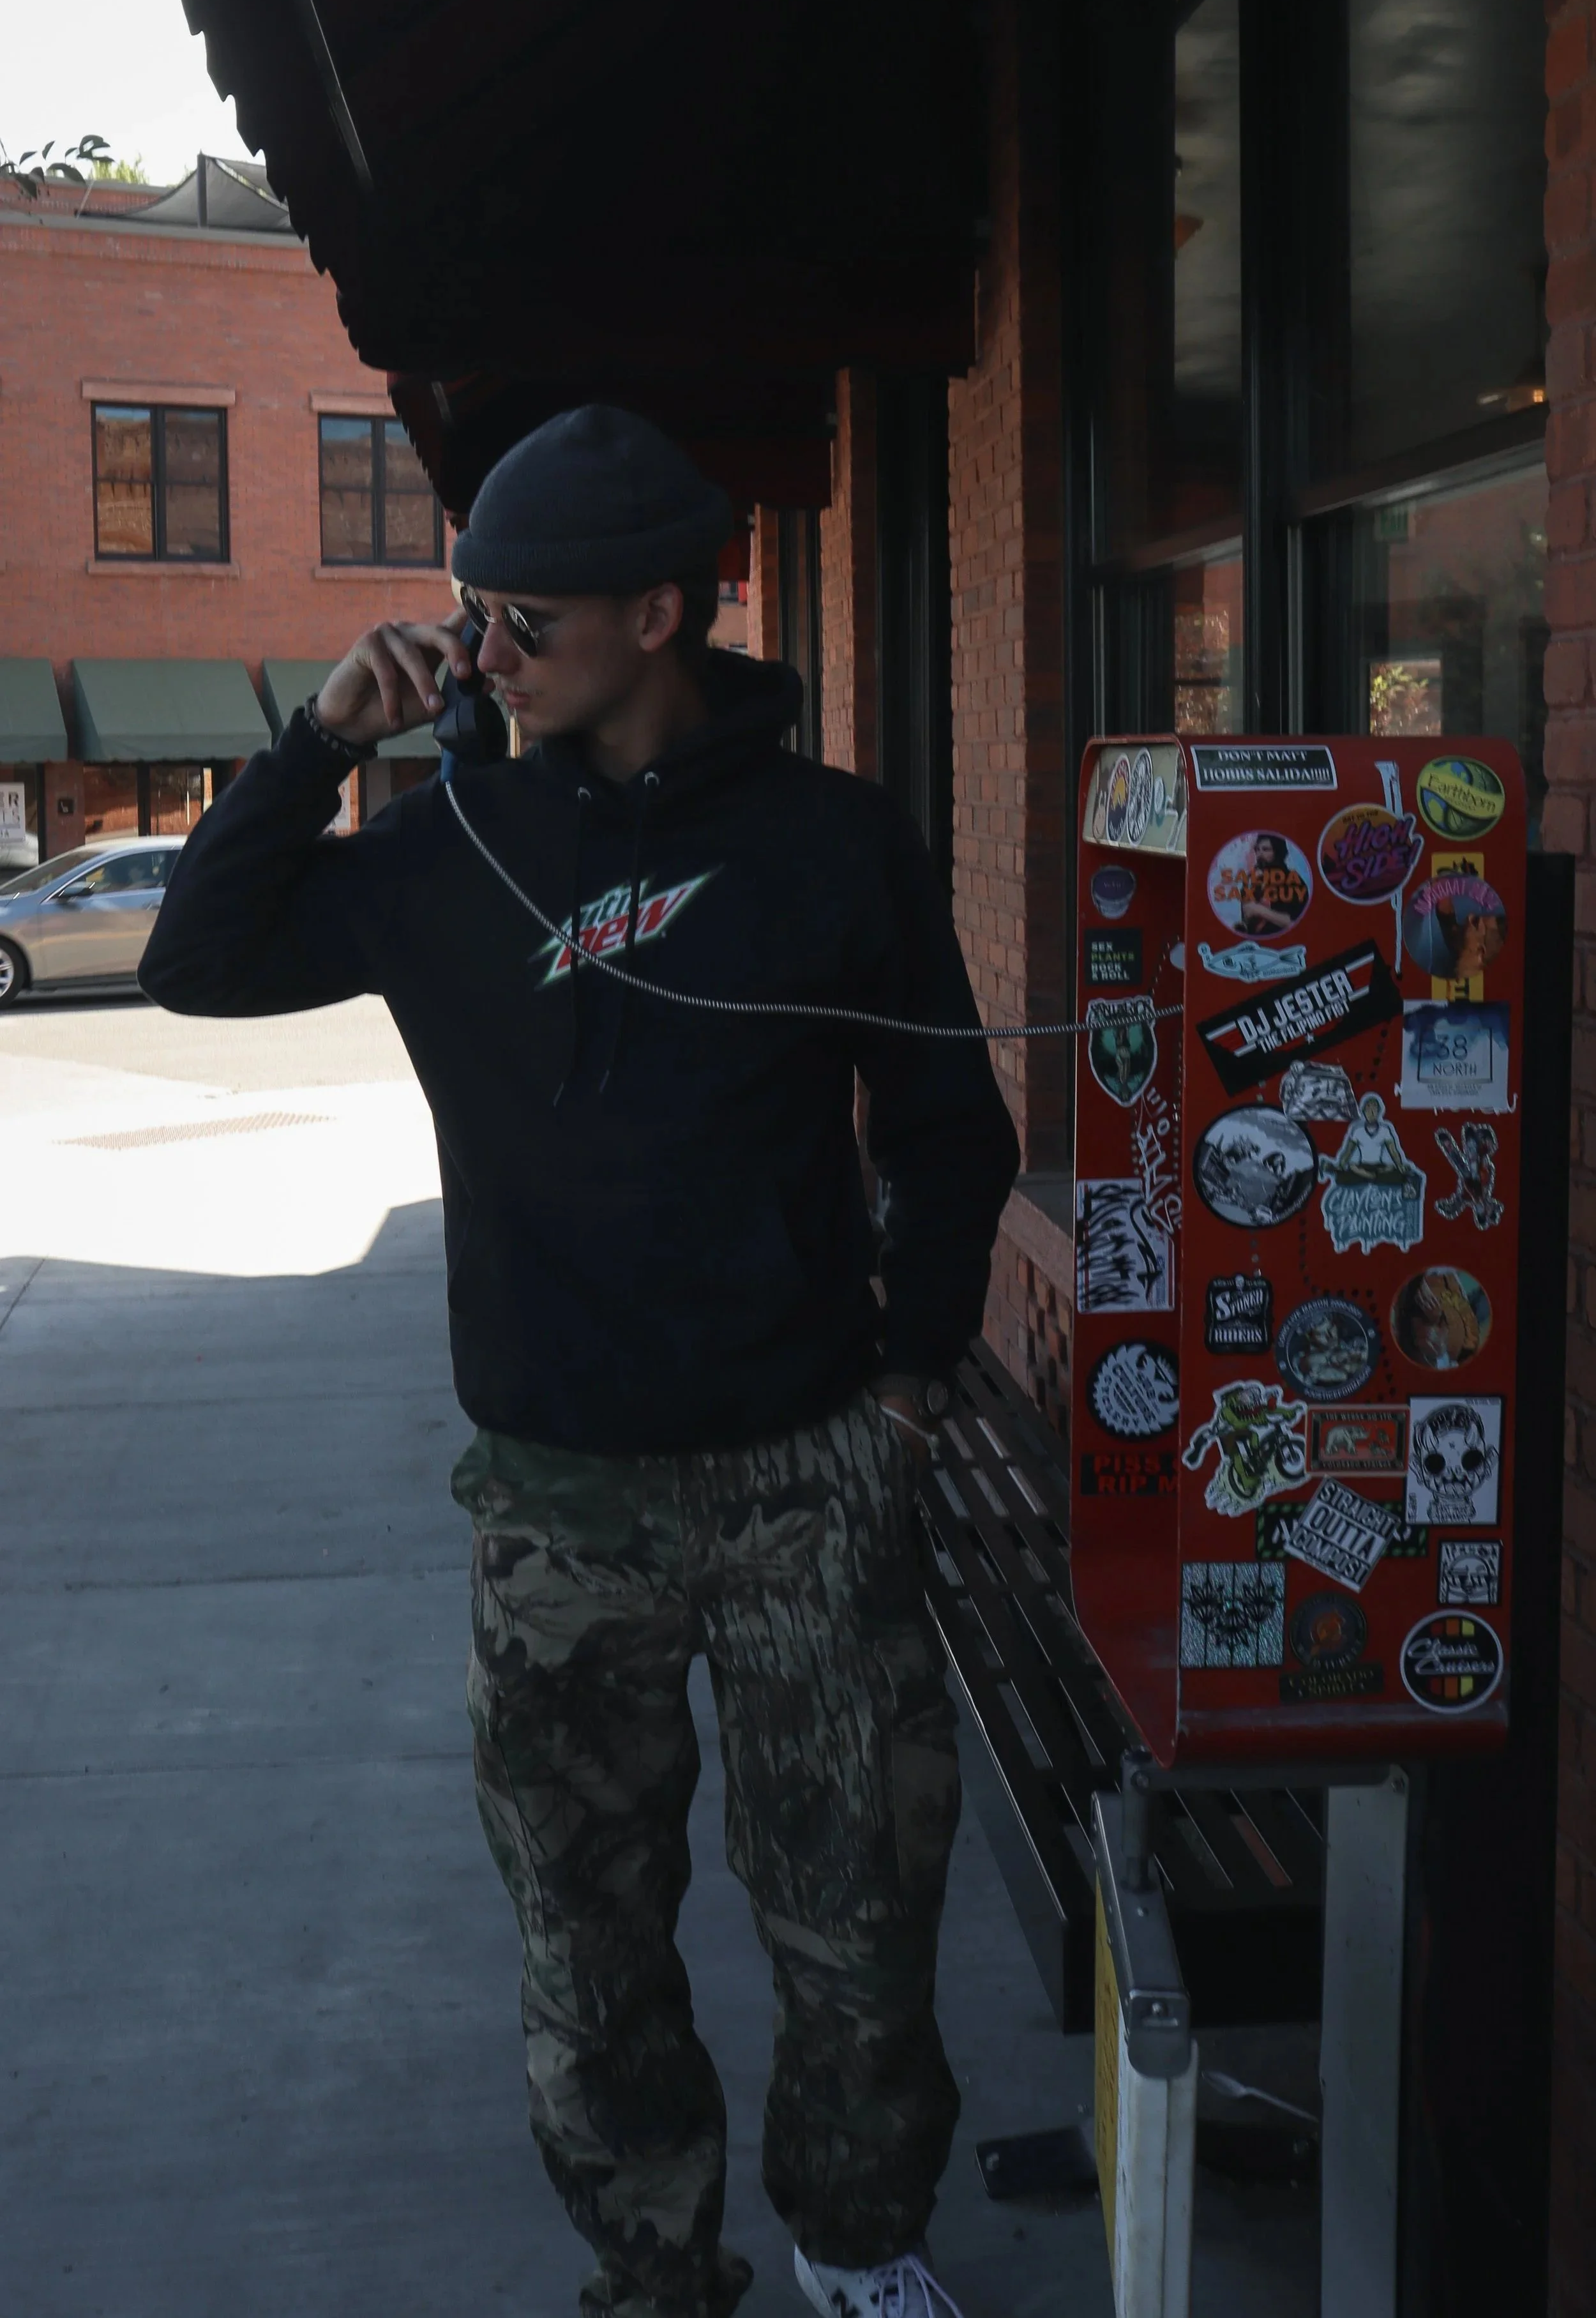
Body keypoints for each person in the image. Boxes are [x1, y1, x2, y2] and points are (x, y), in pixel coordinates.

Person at [140, 405, 1020, 2318]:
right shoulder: (442, 835)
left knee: (857, 1919)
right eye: (468, 614)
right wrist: (314, 748)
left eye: (519, 618)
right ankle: (654, 2267)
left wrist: (911, 1376)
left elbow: (949, 1125)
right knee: (587, 1933)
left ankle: (860, 2244)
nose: (481, 653)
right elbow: (195, 965)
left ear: (662, 610)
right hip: (555, 1496)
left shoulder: (828, 841)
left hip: (805, 1470)